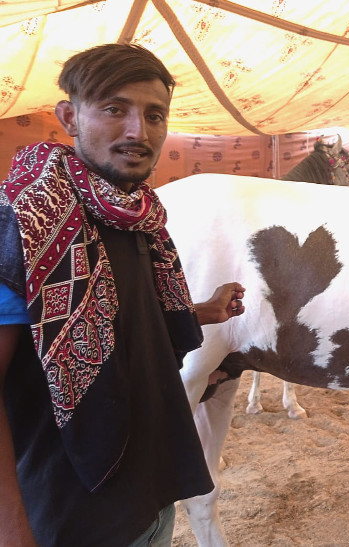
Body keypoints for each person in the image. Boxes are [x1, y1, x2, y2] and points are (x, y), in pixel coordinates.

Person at [0, 43, 246, 546]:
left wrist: (199, 312)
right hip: (70, 514)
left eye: (154, 115)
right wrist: (12, 531)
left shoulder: (138, 217)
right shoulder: (23, 226)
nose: (138, 131)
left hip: (150, 494)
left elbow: (113, 317)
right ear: (69, 116)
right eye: (114, 109)